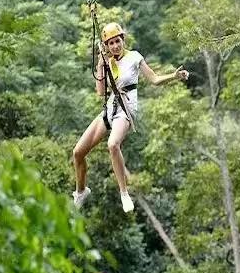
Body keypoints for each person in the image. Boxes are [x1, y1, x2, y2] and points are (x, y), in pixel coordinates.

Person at [72, 22, 189, 212]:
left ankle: (124, 193)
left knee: (112, 144)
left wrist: (174, 76)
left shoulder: (134, 57)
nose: (115, 46)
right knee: (78, 152)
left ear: (123, 40)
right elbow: (100, 92)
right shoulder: (108, 63)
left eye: (117, 41)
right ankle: (81, 191)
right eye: (110, 44)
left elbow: (154, 80)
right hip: (110, 108)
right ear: (107, 46)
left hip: (126, 109)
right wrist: (101, 65)